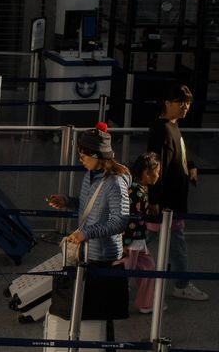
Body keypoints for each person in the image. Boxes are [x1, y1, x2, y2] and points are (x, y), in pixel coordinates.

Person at [45, 122, 130, 350]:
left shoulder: (115, 183)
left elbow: (120, 221)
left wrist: (87, 233)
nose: (80, 158)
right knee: (91, 309)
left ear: (97, 155)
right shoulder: (90, 176)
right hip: (86, 252)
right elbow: (87, 207)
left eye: (83, 154)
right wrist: (67, 202)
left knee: (101, 311)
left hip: (102, 255)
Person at [146, 84, 208, 301]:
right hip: (166, 202)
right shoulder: (161, 129)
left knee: (143, 241)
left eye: (188, 102)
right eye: (181, 102)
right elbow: (156, 166)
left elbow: (175, 155)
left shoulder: (172, 126)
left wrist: (189, 164)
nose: (186, 107)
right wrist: (154, 199)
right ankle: (181, 284)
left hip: (172, 200)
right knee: (148, 241)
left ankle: (119, 275)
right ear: (167, 103)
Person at [123, 152, 160, 314]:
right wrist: (123, 244)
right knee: (124, 275)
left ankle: (146, 303)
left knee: (149, 269)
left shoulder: (138, 189)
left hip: (138, 241)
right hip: (130, 243)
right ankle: (118, 304)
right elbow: (130, 222)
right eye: (157, 172)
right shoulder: (137, 193)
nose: (159, 175)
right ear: (146, 173)